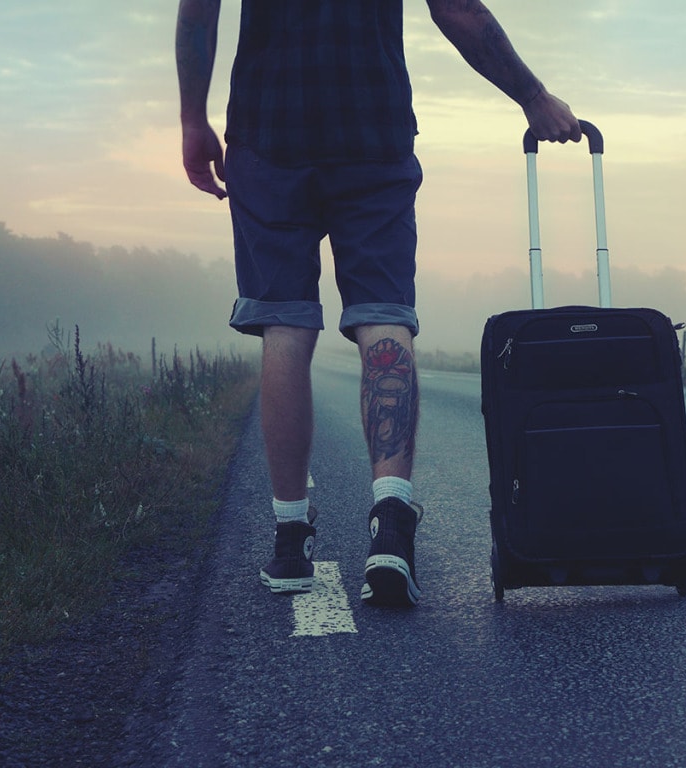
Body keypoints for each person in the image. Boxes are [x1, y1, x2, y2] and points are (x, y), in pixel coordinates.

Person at [176, 0, 581, 607]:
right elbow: (459, 11)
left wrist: (191, 120)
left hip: (267, 132)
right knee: (383, 316)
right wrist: (531, 94)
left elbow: (198, 13)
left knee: (284, 325)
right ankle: (390, 523)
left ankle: (290, 539)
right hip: (372, 130)